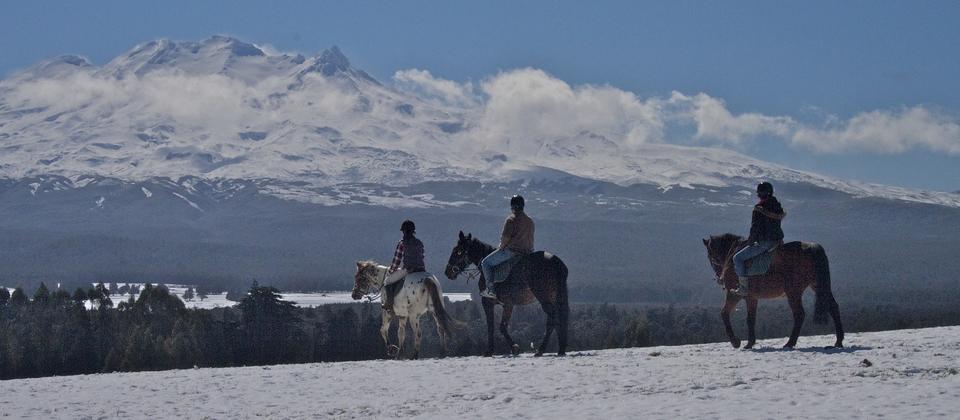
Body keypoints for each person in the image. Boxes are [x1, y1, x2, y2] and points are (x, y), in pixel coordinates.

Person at [732, 182, 786, 296]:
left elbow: (755, 228)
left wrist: (750, 241)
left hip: (765, 243)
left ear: (760, 194)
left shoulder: (759, 209)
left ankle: (743, 288)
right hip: (778, 242)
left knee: (737, 258)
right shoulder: (777, 206)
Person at [480, 195, 535, 300]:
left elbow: (505, 239)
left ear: (512, 206)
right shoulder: (530, 221)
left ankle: (490, 290)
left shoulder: (511, 220)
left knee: (485, 263)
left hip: (513, 252)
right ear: (523, 206)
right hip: (528, 253)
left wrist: (500, 247)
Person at [383, 220, 426, 314]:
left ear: (403, 231)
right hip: (422, 270)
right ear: (413, 231)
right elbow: (422, 256)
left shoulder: (402, 243)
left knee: (387, 282)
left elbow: (396, 261)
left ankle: (389, 306)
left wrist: (391, 271)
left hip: (409, 270)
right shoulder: (419, 243)